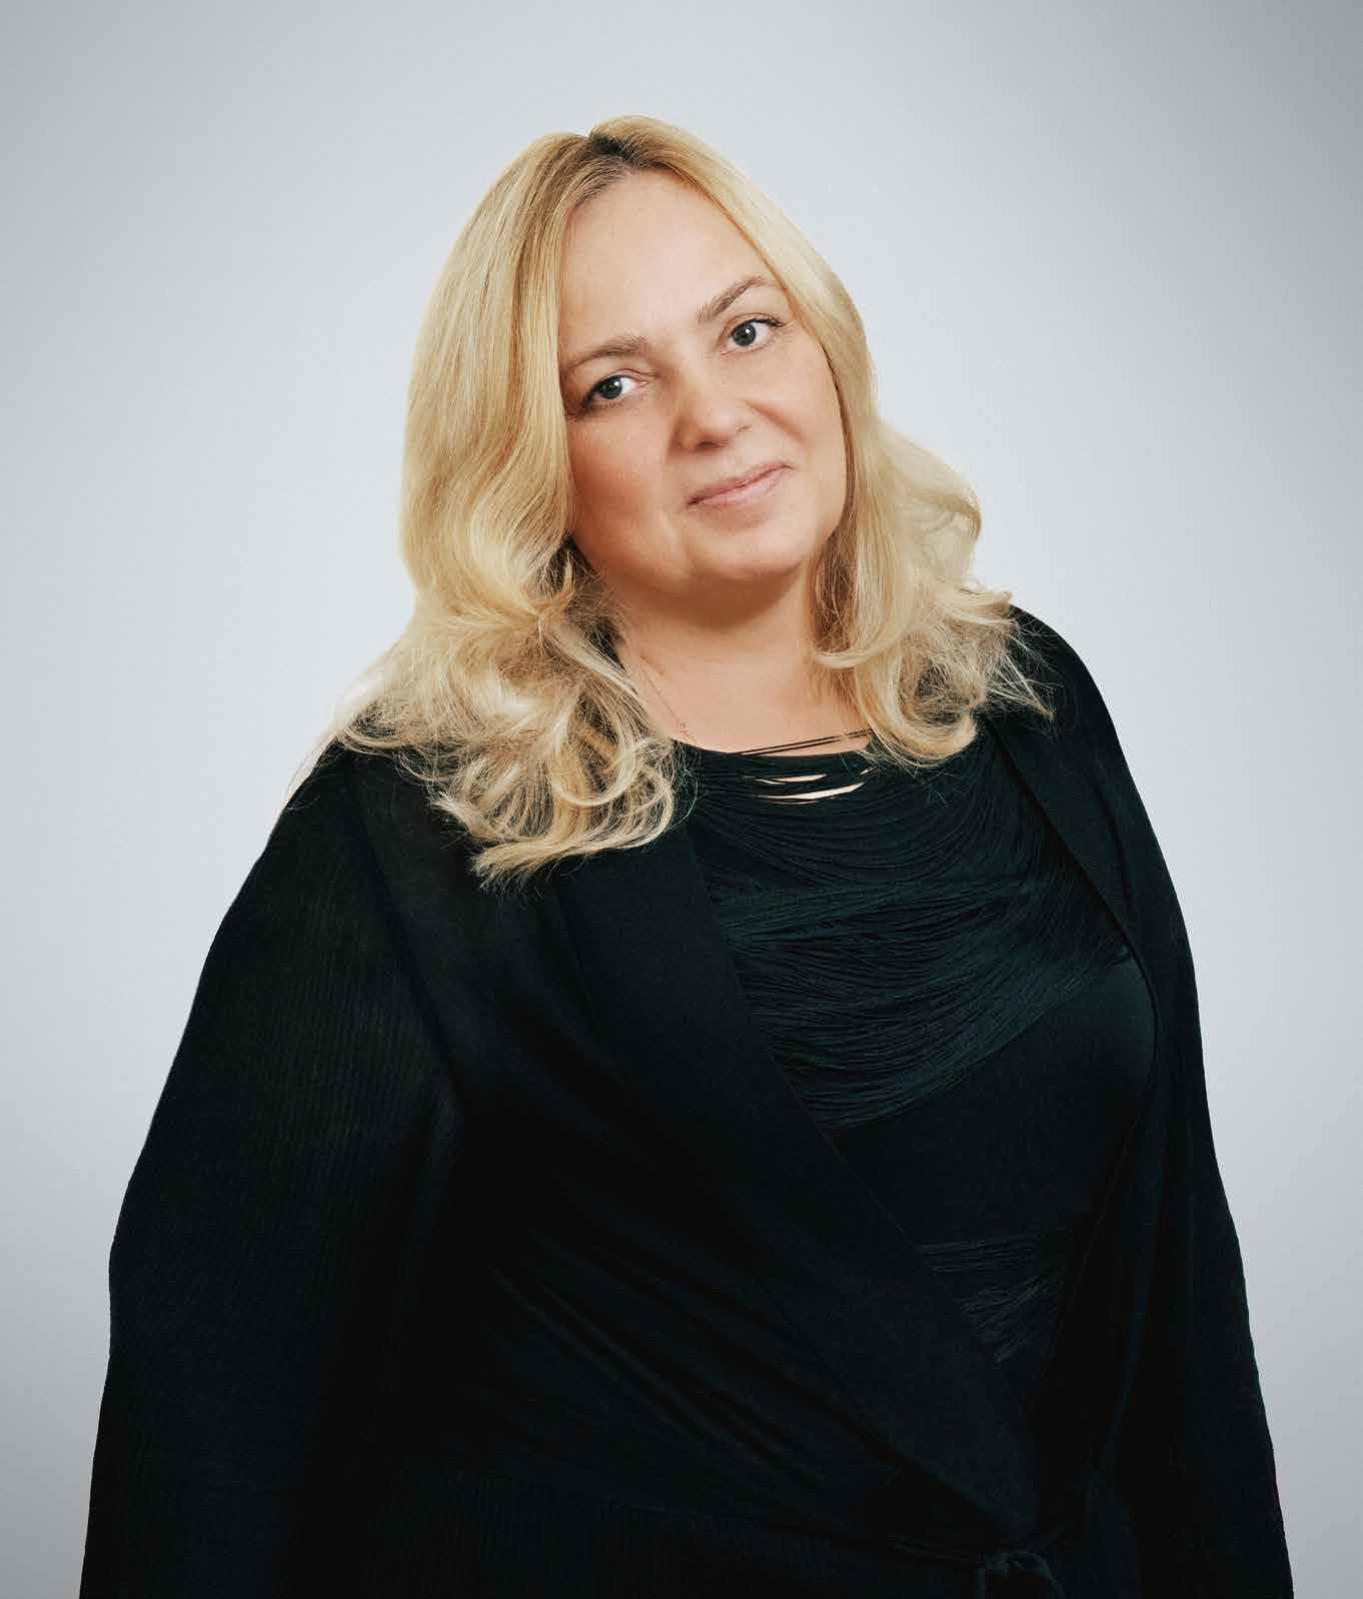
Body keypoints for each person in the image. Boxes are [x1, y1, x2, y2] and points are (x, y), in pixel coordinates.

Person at [78, 116, 1293, 1597]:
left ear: (824, 348)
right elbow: (215, 1408)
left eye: (747, 330)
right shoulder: (420, 825)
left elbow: (1179, 1287)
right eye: (614, 383)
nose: (714, 415)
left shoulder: (1022, 699)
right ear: (535, 466)